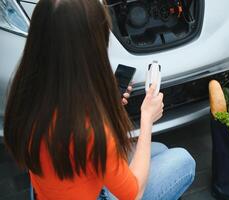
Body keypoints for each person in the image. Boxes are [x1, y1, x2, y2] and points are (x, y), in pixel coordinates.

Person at [3, 0, 196, 199]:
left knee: (159, 151)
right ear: (93, 46)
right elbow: (133, 193)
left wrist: (103, 102)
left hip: (50, 190)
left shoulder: (24, 94)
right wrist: (147, 119)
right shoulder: (93, 130)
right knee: (183, 160)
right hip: (97, 194)